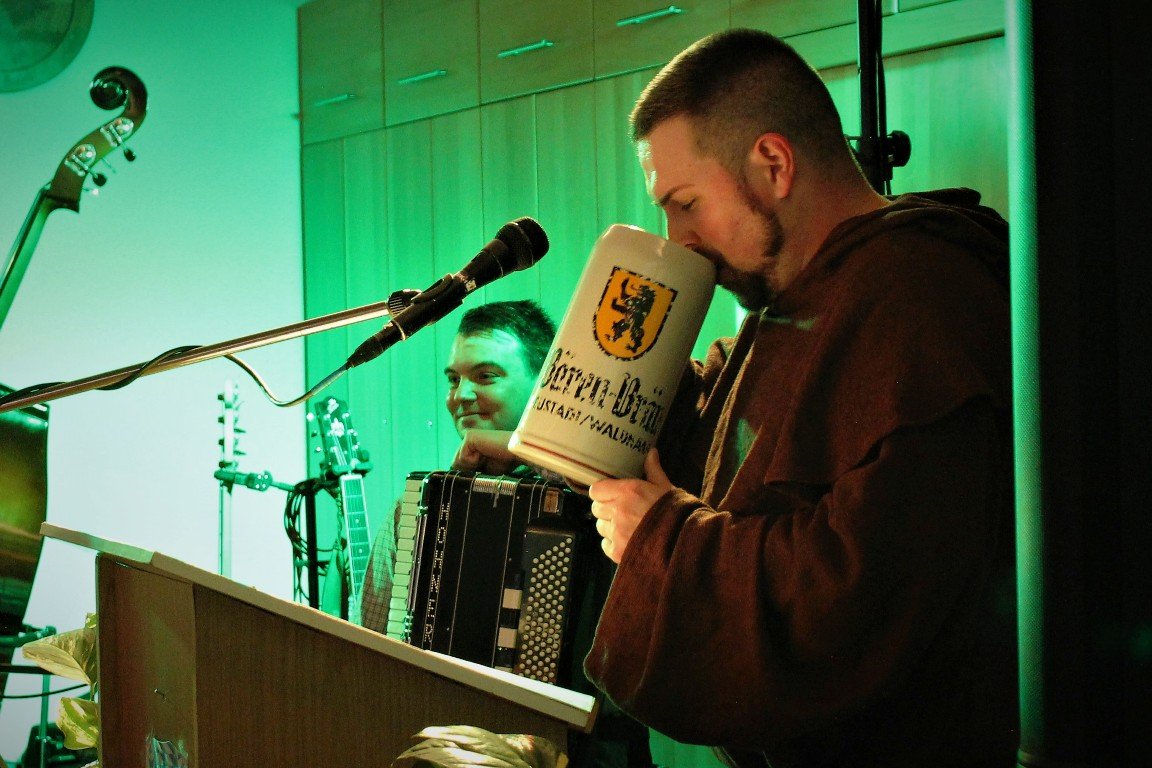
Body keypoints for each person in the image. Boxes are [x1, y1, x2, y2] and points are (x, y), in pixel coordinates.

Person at [458, 29, 1017, 768]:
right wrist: (574, 416)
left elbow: (861, 594)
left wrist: (659, 536)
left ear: (774, 164)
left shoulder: (915, 295)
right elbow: (712, 424)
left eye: (685, 204)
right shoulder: (792, 302)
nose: (679, 241)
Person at [348, 299, 653, 768]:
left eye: (485, 376)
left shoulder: (606, 495)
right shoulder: (419, 505)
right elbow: (371, 640)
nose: (460, 395)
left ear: (542, 388)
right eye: (453, 379)